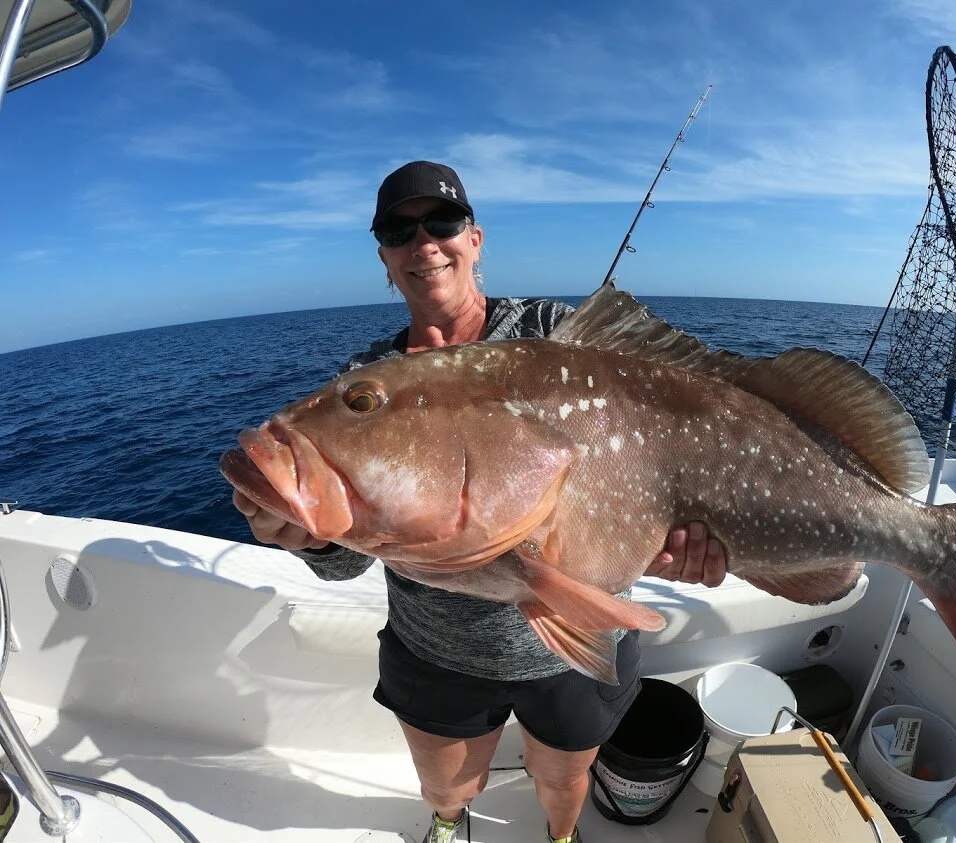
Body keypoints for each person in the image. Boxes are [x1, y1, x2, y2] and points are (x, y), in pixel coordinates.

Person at [233, 161, 729, 843]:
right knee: (447, 786)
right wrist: (306, 534)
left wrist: (670, 544)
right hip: (435, 654)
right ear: (383, 256)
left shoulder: (557, 332)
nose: (423, 242)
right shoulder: (365, 373)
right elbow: (348, 562)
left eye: (442, 222)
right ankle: (446, 824)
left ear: (474, 239)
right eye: (398, 231)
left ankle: (559, 835)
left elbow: (660, 456)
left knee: (562, 780)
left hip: (570, 651)